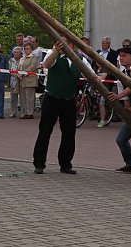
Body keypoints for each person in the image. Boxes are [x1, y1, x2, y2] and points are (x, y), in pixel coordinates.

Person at [32, 41, 80, 174]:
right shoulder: (52, 54)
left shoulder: (79, 59)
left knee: (69, 133)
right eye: (60, 42)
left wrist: (99, 77)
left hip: (69, 100)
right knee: (45, 131)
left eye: (66, 43)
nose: (63, 45)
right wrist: (56, 51)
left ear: (72, 45)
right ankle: (39, 163)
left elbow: (90, 73)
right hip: (52, 98)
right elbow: (47, 64)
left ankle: (66, 164)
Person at [107, 47, 131, 173]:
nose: (121, 58)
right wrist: (128, 114)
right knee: (121, 139)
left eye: (124, 55)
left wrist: (118, 96)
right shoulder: (120, 74)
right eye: (120, 56)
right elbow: (125, 98)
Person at [17, 42, 39, 119]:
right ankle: (24, 112)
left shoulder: (34, 57)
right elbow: (19, 67)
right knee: (23, 97)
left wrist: (23, 73)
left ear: (31, 49)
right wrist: (18, 74)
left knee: (29, 97)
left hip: (30, 80)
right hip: (22, 80)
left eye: (27, 49)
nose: (26, 50)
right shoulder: (22, 58)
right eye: (25, 49)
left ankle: (30, 113)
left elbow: (32, 67)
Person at [8, 46, 21, 117]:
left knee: (22, 98)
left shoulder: (23, 60)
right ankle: (13, 112)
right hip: (13, 81)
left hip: (21, 80)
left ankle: (23, 112)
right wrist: (16, 74)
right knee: (13, 98)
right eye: (15, 52)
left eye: (18, 52)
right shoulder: (10, 61)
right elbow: (9, 70)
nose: (16, 54)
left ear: (20, 53)